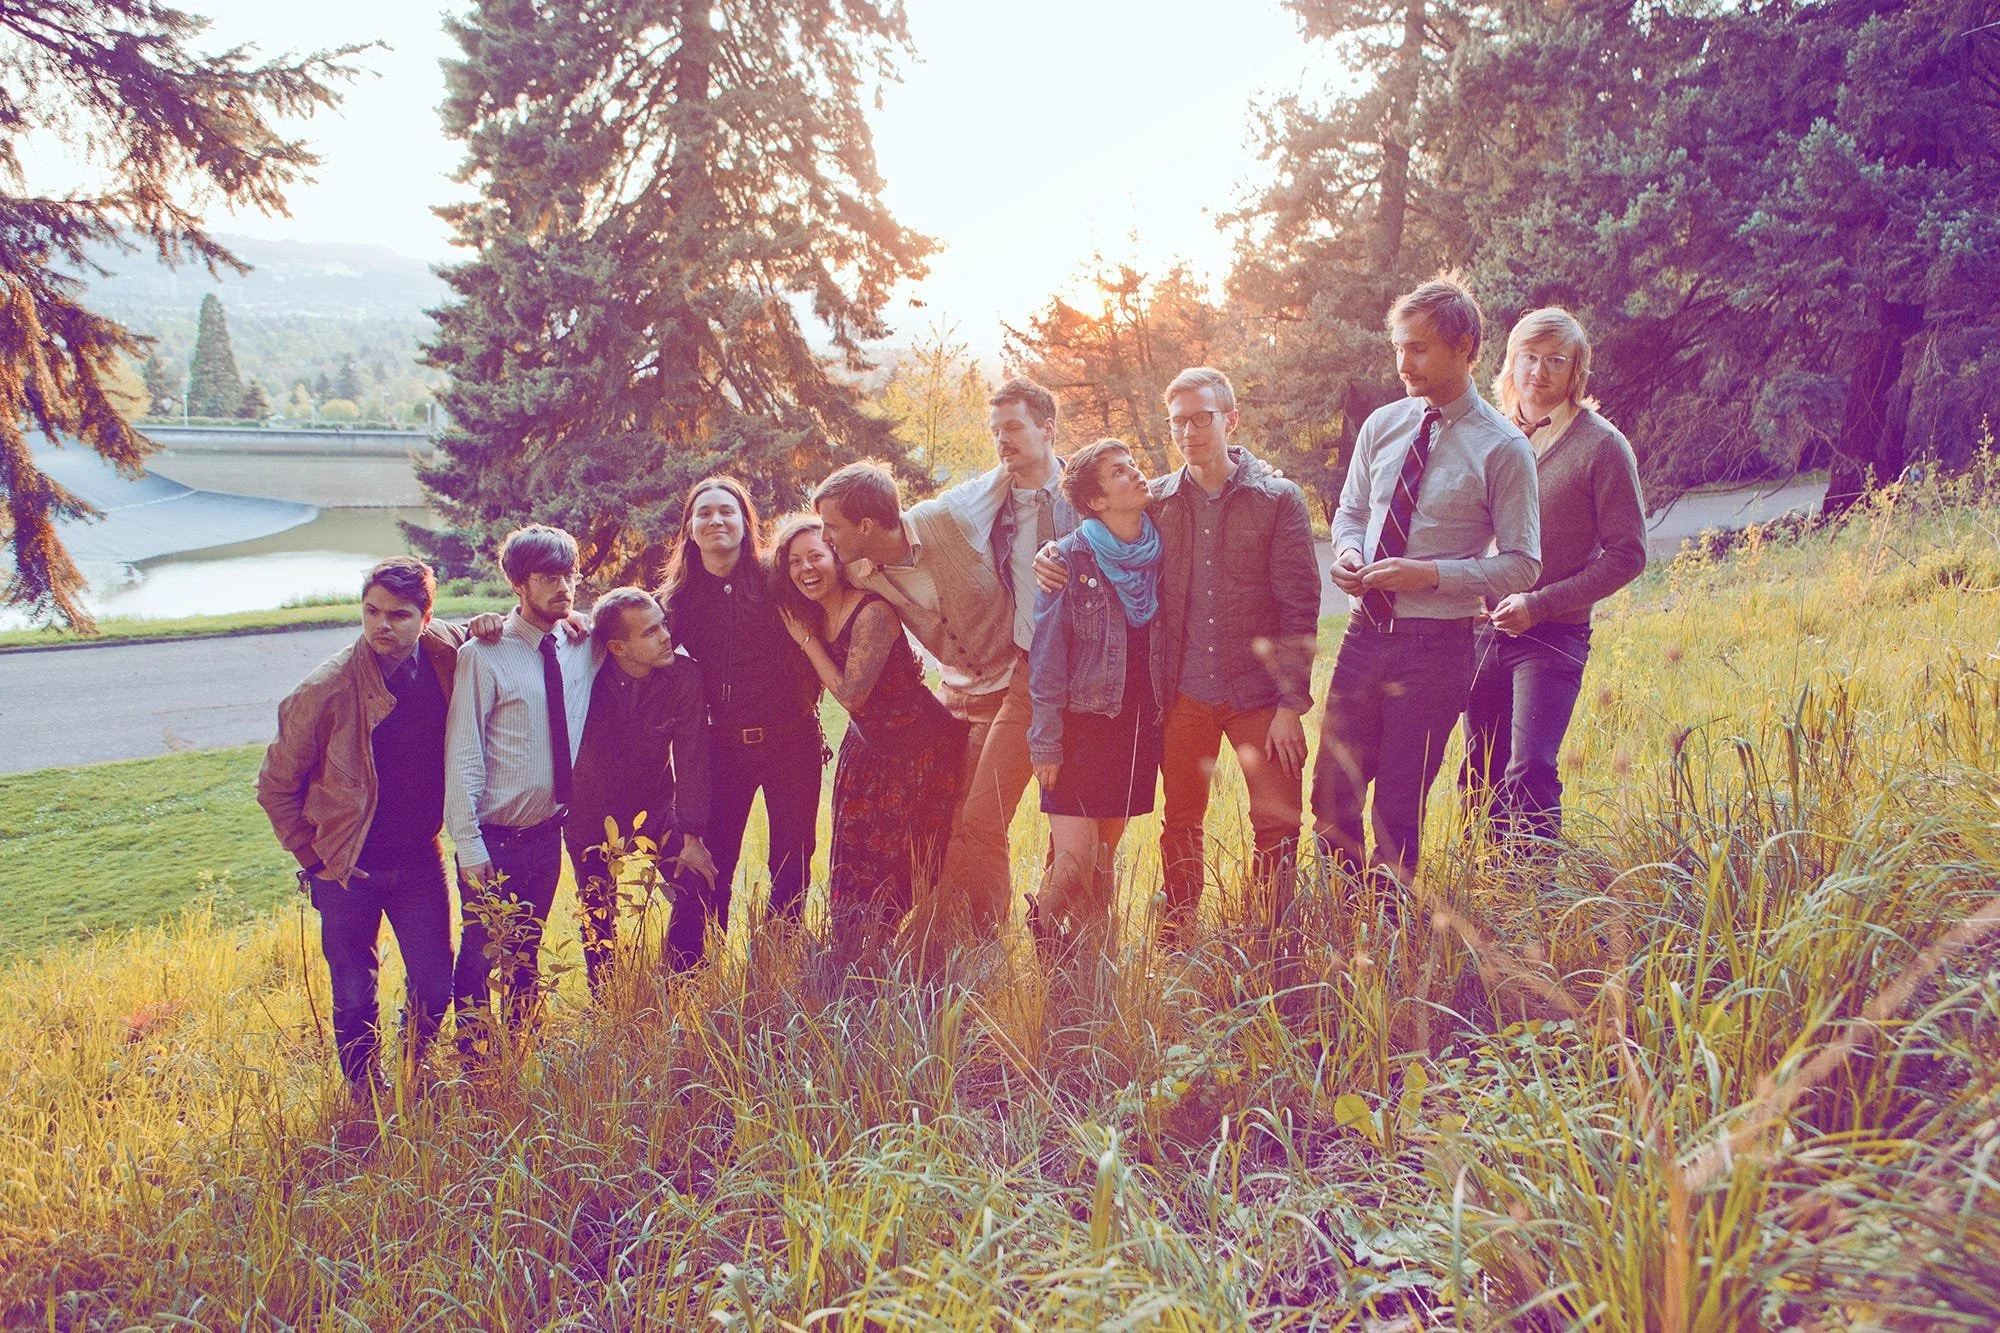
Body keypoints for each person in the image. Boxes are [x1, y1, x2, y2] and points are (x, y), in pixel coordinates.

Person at [1313, 275, 1542, 894]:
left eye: (1419, 348)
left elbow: (1523, 565)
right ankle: (1338, 931)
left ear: (1464, 347)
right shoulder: (1384, 425)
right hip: (1365, 635)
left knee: (1398, 807)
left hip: (1437, 646)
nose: (1403, 362)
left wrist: (1430, 574)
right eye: (1399, 346)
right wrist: (1348, 551)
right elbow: (1352, 511)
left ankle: (1390, 946)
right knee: (1332, 799)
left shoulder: (1502, 448)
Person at [257, 557, 466, 1101]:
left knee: (434, 980)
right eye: (371, 611)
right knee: (353, 990)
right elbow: (275, 786)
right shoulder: (323, 690)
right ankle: (363, 1093)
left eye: (398, 614)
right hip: (346, 864)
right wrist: (313, 859)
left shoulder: (444, 654)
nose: (381, 626)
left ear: (425, 617)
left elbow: (485, 628)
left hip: (421, 857)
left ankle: (413, 1069)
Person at [810, 457, 1026, 945]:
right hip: (955, 699)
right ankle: (950, 941)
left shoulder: (947, 515)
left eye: (833, 527)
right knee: (953, 828)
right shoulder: (862, 572)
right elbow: (801, 572)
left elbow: (1016, 471)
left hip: (1015, 685)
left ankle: (986, 942)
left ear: (866, 525)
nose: (827, 538)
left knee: (981, 823)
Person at [1461, 308, 1646, 844]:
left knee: (1531, 770)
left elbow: (1628, 554)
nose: (1539, 372)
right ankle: (1488, 896)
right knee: (1480, 771)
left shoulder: (1601, 446)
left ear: (1575, 371)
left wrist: (1538, 605)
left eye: (1555, 361)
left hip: (1552, 634)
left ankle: (1537, 905)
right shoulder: (1483, 434)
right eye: (1529, 358)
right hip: (1479, 631)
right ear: (1510, 363)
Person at [771, 514, 968, 935]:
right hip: (867, 751)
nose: (807, 568)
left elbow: (852, 694)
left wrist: (806, 643)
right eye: (795, 561)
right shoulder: (813, 615)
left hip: (919, 752)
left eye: (816, 556)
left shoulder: (871, 611)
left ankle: (911, 966)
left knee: (906, 869)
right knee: (853, 869)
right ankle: (850, 962)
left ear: (836, 558)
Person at [445, 524, 599, 1049]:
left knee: (527, 949)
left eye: (570, 576)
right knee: (479, 952)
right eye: (549, 577)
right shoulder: (483, 653)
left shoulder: (581, 643)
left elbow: (638, 623)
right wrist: (468, 847)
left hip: (546, 834)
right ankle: (474, 1058)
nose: (564, 587)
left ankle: (521, 1050)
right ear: (518, 582)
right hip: (493, 839)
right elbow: (463, 756)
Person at [658, 477, 823, 947]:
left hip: (792, 741)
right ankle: (690, 973)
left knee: (793, 859)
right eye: (704, 512)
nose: (716, 520)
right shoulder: (678, 599)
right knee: (711, 860)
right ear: (690, 529)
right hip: (723, 747)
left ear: (745, 524)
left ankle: (778, 959)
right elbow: (625, 630)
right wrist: (573, 623)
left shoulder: (776, 581)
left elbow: (829, 591)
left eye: (727, 511)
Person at [1025, 439, 1166, 958]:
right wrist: (1045, 742)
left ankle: (1091, 966)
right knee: (1074, 859)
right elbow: (1045, 657)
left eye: (1133, 464)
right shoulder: (1067, 558)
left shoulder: (1160, 545)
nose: (1135, 474)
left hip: (1135, 726)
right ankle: (1039, 931)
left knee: (1105, 857)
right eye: (1118, 473)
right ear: (1096, 501)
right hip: (1080, 725)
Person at [565, 586, 716, 991]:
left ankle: (682, 984)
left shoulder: (683, 677)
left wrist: (693, 834)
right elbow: (532, 640)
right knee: (597, 914)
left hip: (655, 808)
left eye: (662, 624)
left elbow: (692, 757)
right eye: (650, 632)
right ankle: (606, 1002)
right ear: (617, 647)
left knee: (695, 881)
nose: (666, 635)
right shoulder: (585, 674)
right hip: (590, 815)